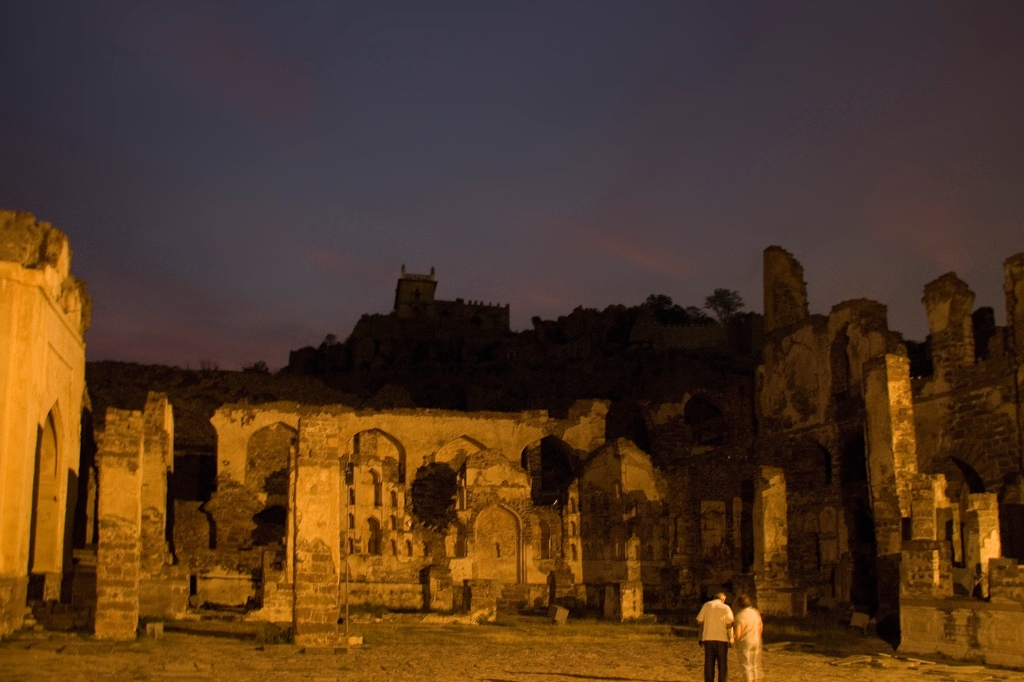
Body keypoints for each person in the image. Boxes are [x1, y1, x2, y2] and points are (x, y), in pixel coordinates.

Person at [696, 592, 734, 682]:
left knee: (709, 662)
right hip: (722, 638)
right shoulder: (726, 607)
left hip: (708, 637)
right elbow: (729, 624)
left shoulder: (707, 605)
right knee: (722, 663)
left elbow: (699, 621)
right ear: (723, 599)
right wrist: (731, 638)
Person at [732, 594, 763, 682]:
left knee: (746, 664)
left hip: (745, 641)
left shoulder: (739, 616)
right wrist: (758, 635)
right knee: (755, 663)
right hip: (756, 639)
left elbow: (738, 633)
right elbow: (760, 625)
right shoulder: (755, 612)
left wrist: (733, 640)